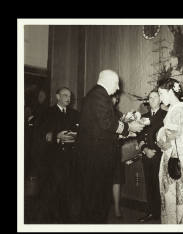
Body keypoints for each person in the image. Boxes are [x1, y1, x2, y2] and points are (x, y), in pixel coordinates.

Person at [76, 69, 145, 224]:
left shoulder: (96, 95)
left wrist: (124, 133)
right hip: (97, 158)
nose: (118, 88)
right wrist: (129, 128)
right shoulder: (100, 95)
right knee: (96, 200)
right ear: (107, 81)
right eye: (116, 83)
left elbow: (101, 129)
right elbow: (108, 123)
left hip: (95, 156)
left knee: (95, 199)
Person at [156, 78, 183, 224]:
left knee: (178, 204)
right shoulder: (175, 110)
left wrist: (165, 140)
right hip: (171, 158)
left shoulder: (181, 111)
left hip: (176, 161)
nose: (160, 97)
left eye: (161, 93)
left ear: (170, 92)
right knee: (170, 202)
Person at [39, 87, 80, 223]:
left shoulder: (75, 114)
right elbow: (42, 134)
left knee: (68, 189)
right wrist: (57, 136)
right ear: (57, 96)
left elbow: (79, 132)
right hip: (54, 158)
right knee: (53, 188)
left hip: (70, 157)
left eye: (69, 96)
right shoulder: (48, 112)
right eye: (64, 95)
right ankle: (50, 219)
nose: (68, 98)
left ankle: (65, 218)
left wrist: (75, 136)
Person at [137, 90, 167, 223]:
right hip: (147, 156)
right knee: (149, 185)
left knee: (162, 186)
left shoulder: (166, 115)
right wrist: (145, 150)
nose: (153, 99)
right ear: (148, 100)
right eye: (150, 97)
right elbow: (139, 137)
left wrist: (156, 150)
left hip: (160, 156)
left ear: (161, 99)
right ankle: (150, 212)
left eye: (156, 97)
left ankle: (163, 214)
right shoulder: (143, 117)